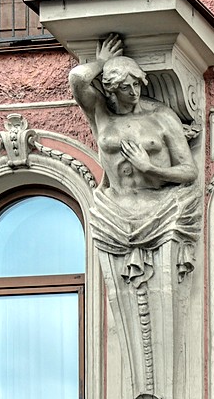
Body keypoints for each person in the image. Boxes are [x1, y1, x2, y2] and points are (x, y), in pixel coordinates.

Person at [69, 33, 200, 284]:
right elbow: (77, 78)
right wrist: (102, 62)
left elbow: (189, 171)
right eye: (125, 87)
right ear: (111, 89)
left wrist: (150, 168)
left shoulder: (162, 116)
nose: (133, 92)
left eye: (137, 85)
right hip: (114, 211)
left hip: (159, 209)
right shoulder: (101, 113)